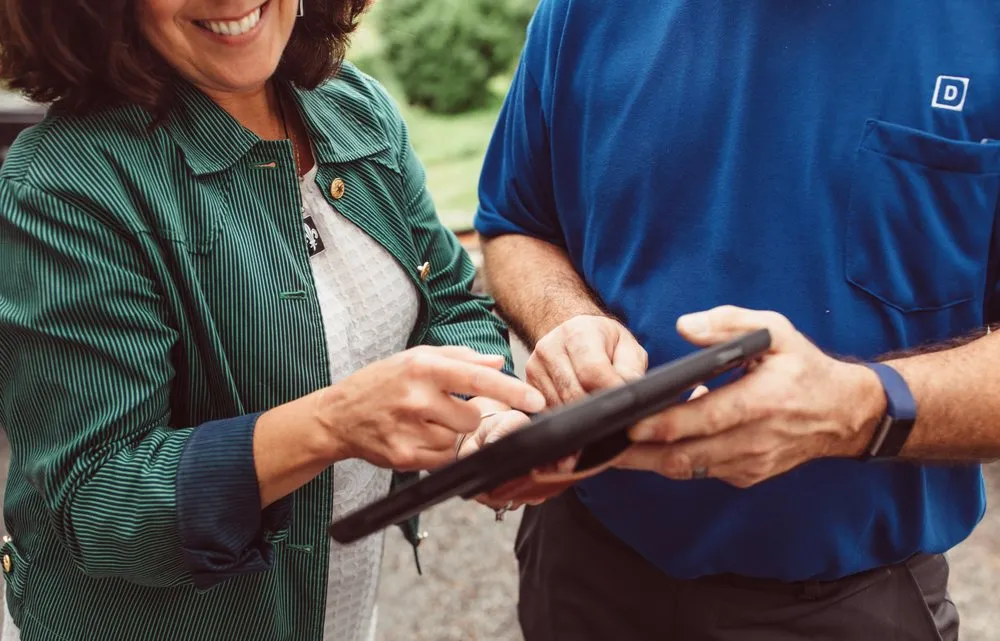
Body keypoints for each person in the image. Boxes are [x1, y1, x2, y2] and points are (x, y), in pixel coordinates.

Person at [0, 1, 547, 640]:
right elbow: (99, 503)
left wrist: (485, 419)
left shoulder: (353, 106)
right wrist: (332, 424)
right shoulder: (63, 185)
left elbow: (449, 299)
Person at [474, 1, 1000, 639]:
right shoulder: (580, 11)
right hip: (583, 565)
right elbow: (516, 225)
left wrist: (859, 407)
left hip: (844, 603)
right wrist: (568, 318)